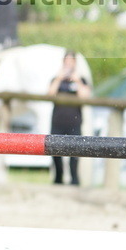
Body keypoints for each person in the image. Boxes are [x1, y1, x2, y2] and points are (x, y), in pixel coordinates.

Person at [48, 50, 91, 185]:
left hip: (74, 122)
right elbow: (50, 94)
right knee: (55, 153)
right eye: (66, 61)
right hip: (58, 121)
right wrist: (58, 78)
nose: (68, 65)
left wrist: (77, 81)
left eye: (71, 62)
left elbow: (85, 96)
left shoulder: (81, 80)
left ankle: (74, 179)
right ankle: (58, 179)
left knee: (75, 153)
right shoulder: (56, 80)